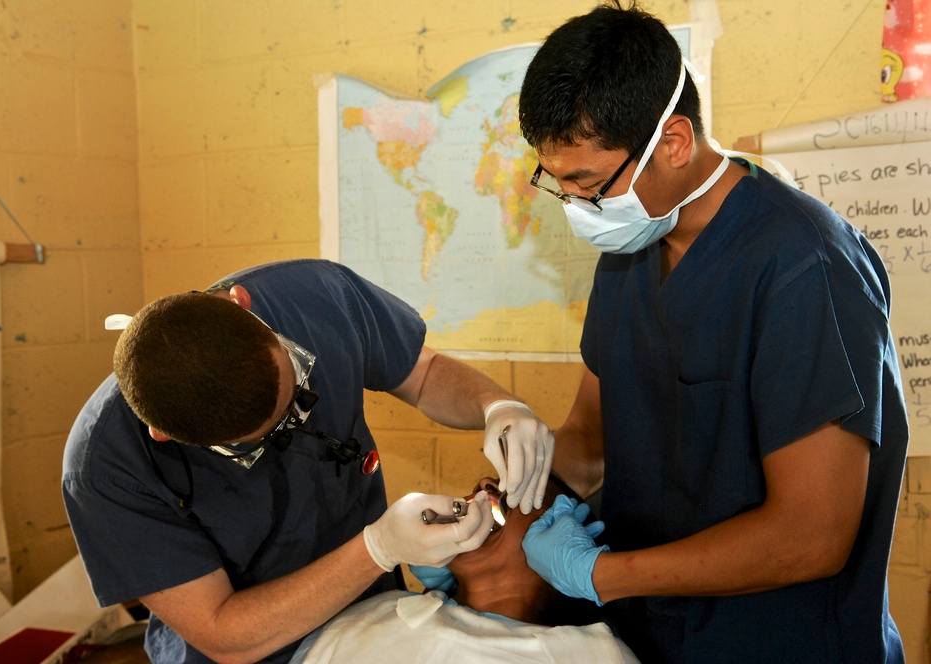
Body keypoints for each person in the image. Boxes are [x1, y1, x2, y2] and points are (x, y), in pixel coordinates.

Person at [514, 3, 910, 663]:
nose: (578, 210)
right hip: (653, 637)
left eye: (586, 184)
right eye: (556, 185)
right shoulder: (632, 250)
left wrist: (599, 575)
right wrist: (498, 507)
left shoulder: (803, 266)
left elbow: (813, 535)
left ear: (673, 142)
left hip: (784, 644)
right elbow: (589, 442)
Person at [62, 258, 555, 664]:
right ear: (163, 435)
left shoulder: (314, 297)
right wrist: (377, 548)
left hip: (373, 610)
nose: (296, 423)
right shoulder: (106, 468)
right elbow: (221, 630)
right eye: (259, 440)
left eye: (297, 388)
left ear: (242, 302)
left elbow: (422, 375)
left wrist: (497, 405)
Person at [290, 475, 639, 663]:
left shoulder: (595, 657)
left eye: (512, 497)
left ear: (562, 552)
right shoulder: (368, 615)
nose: (484, 485)